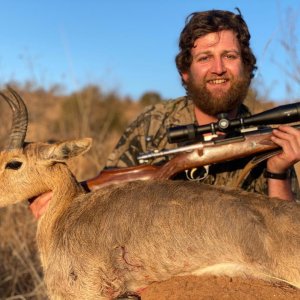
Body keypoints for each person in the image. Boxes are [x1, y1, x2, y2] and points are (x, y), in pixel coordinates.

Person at [30, 9, 299, 218]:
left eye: (229, 56)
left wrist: (278, 172)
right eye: (205, 58)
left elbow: (284, 241)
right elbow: (105, 200)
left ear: (247, 68)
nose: (218, 68)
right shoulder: (153, 125)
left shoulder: (270, 139)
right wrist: (67, 197)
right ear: (185, 71)